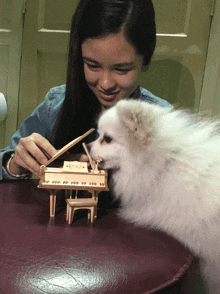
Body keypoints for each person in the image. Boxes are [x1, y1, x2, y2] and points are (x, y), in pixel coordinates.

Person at [0, 0, 172, 181]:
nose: (105, 84)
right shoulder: (56, 105)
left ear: (146, 61)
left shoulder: (162, 120)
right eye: (92, 65)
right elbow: (7, 162)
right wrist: (14, 164)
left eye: (121, 69)